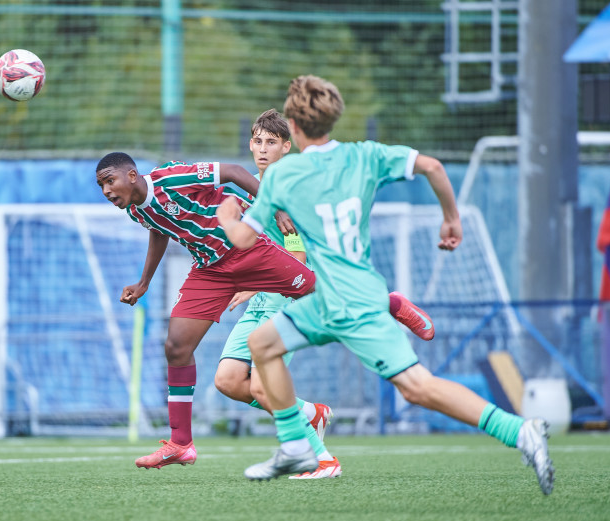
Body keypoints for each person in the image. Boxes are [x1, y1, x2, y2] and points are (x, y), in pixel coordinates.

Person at [217, 75, 555, 495]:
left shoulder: (287, 176)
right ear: (332, 119)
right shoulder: (366, 155)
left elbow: (244, 239)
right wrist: (451, 217)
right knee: (263, 345)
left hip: (346, 301)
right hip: (336, 296)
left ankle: (520, 432)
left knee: (417, 387)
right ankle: (296, 445)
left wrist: (229, 216)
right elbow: (432, 166)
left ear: (294, 129)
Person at [96, 149, 432, 471]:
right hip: (211, 270)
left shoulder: (172, 178)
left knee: (326, 305)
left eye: (110, 181)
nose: (107, 190)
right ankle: (181, 443)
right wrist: (144, 283)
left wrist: (277, 209)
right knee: (177, 347)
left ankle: (391, 304)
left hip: (250, 253)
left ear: (132, 174)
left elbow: (233, 172)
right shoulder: (137, 210)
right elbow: (160, 230)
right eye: (101, 186)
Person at [214, 109, 436, 479]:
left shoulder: (293, 186)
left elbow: (296, 254)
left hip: (286, 294)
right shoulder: (251, 187)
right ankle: (309, 413)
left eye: (272, 142)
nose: (262, 148)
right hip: (261, 299)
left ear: (288, 146)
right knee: (228, 381)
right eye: (257, 141)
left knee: (262, 385)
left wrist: (253, 281)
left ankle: (322, 460)